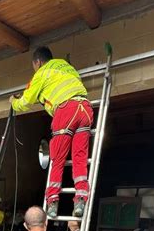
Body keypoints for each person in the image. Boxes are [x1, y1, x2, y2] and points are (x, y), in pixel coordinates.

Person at [10, 46, 92, 219]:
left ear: (37, 62)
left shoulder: (41, 73)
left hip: (66, 111)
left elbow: (25, 101)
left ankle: (53, 203)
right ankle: (81, 199)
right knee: (79, 157)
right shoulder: (65, 66)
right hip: (84, 109)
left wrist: (13, 102)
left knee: (58, 158)